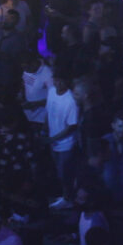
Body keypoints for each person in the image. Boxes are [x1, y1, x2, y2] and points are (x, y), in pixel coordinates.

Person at [47, 69, 80, 209]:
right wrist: (45, 130)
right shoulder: (51, 92)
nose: (58, 83)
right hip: (53, 141)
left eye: (61, 80)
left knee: (65, 174)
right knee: (59, 172)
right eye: (56, 79)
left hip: (66, 144)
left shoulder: (71, 100)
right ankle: (65, 196)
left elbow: (72, 126)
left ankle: (68, 199)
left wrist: (53, 138)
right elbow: (48, 111)